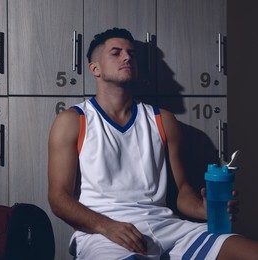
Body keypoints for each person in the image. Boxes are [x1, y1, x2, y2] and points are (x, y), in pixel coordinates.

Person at [47, 28, 258, 259]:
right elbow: (59, 198)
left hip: (167, 227)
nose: (127, 57)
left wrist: (203, 209)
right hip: (105, 234)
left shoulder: (163, 120)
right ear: (94, 68)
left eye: (132, 54)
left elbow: (182, 191)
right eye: (116, 53)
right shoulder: (73, 121)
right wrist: (106, 226)